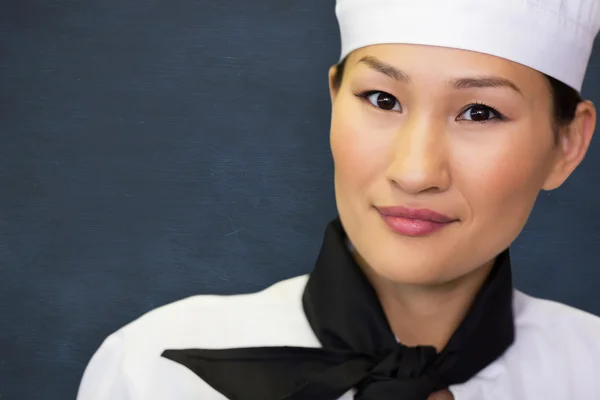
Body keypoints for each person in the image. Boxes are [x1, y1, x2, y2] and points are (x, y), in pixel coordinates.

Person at [77, 0, 600, 399]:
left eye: (480, 113)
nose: (415, 172)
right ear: (333, 102)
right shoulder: (152, 372)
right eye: (382, 99)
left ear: (567, 144)